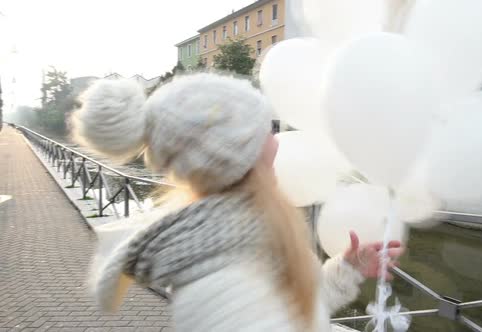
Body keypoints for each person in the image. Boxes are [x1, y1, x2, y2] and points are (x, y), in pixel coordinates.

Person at [73, 73, 403, 331]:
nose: (276, 141)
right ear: (232, 156)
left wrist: (346, 271)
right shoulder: (222, 285)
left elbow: (300, 314)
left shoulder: (245, 238)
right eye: (264, 130)